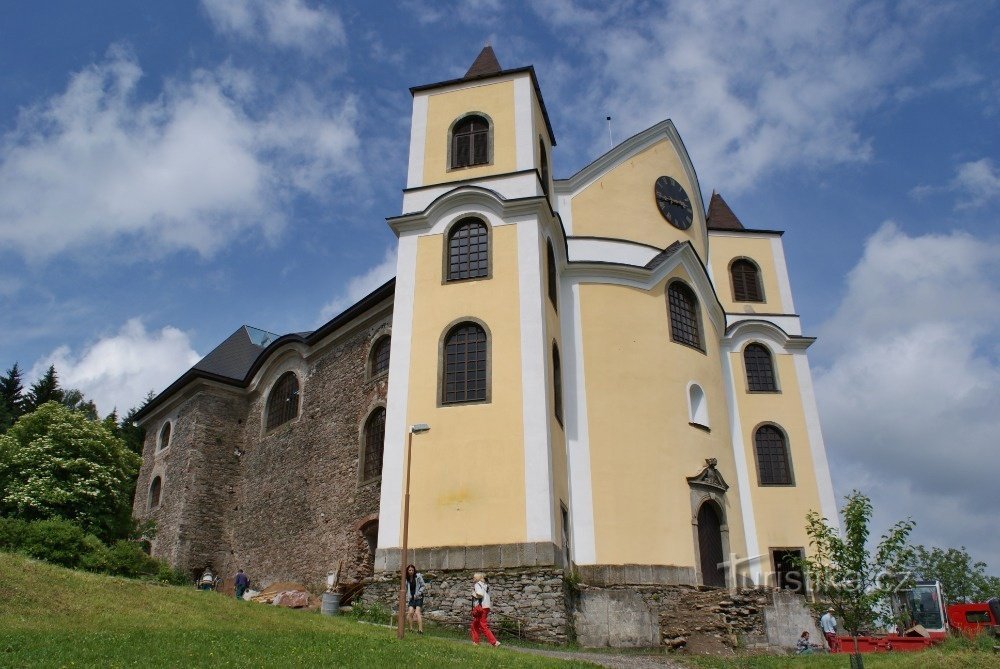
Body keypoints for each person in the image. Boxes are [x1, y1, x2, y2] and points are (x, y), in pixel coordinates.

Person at [470, 573, 500, 646]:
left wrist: (473, 594)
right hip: (486, 607)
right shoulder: (486, 586)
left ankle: (494, 642)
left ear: (477, 578)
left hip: (480, 607)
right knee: (475, 624)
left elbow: (480, 594)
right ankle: (475, 642)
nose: (473, 579)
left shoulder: (477, 584)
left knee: (482, 625)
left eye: (474, 577)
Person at [405, 564, 425, 634]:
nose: (411, 571)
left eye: (412, 570)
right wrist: (409, 596)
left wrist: (418, 593)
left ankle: (420, 630)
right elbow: (407, 589)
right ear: (407, 571)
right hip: (411, 598)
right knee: (410, 612)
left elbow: (423, 586)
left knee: (417, 612)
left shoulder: (418, 576)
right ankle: (411, 629)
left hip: (419, 597)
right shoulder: (407, 579)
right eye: (409, 570)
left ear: (414, 570)